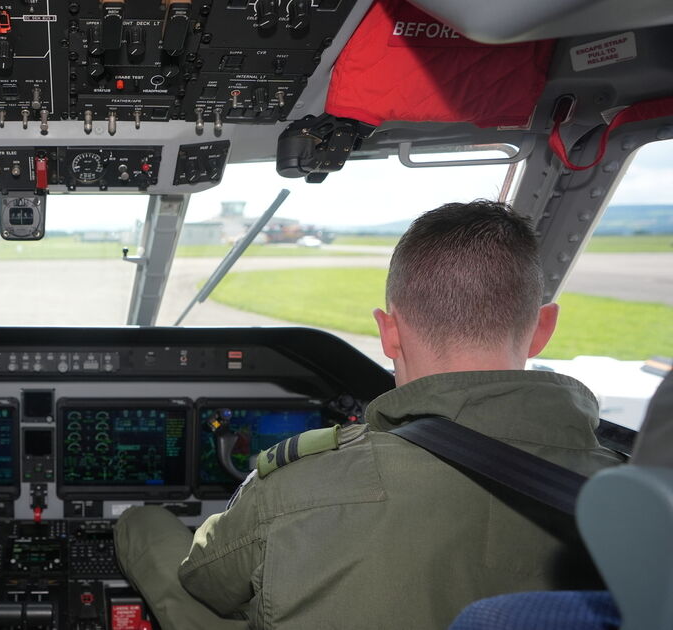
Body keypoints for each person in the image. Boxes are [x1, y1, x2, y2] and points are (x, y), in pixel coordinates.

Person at [114, 200, 625, 629]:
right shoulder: (636, 501)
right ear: (543, 328)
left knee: (145, 524)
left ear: (389, 332)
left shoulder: (297, 486)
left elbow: (205, 583)